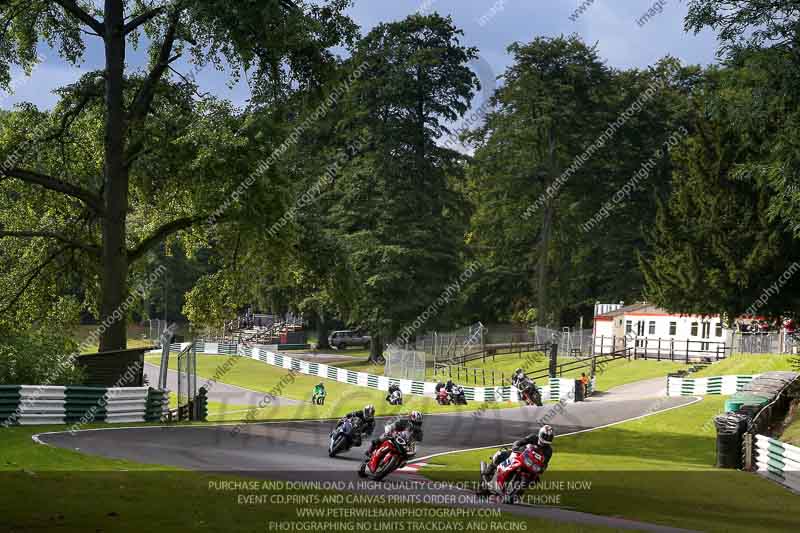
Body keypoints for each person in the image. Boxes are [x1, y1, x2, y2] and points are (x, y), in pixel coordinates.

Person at [481, 425, 554, 480]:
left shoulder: (548, 450)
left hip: (531, 465)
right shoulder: (533, 437)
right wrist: (516, 446)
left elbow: (545, 463)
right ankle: (488, 472)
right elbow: (521, 442)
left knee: (534, 479)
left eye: (549, 437)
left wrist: (542, 469)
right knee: (500, 454)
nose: (546, 439)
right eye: (545, 436)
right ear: (540, 434)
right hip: (520, 455)